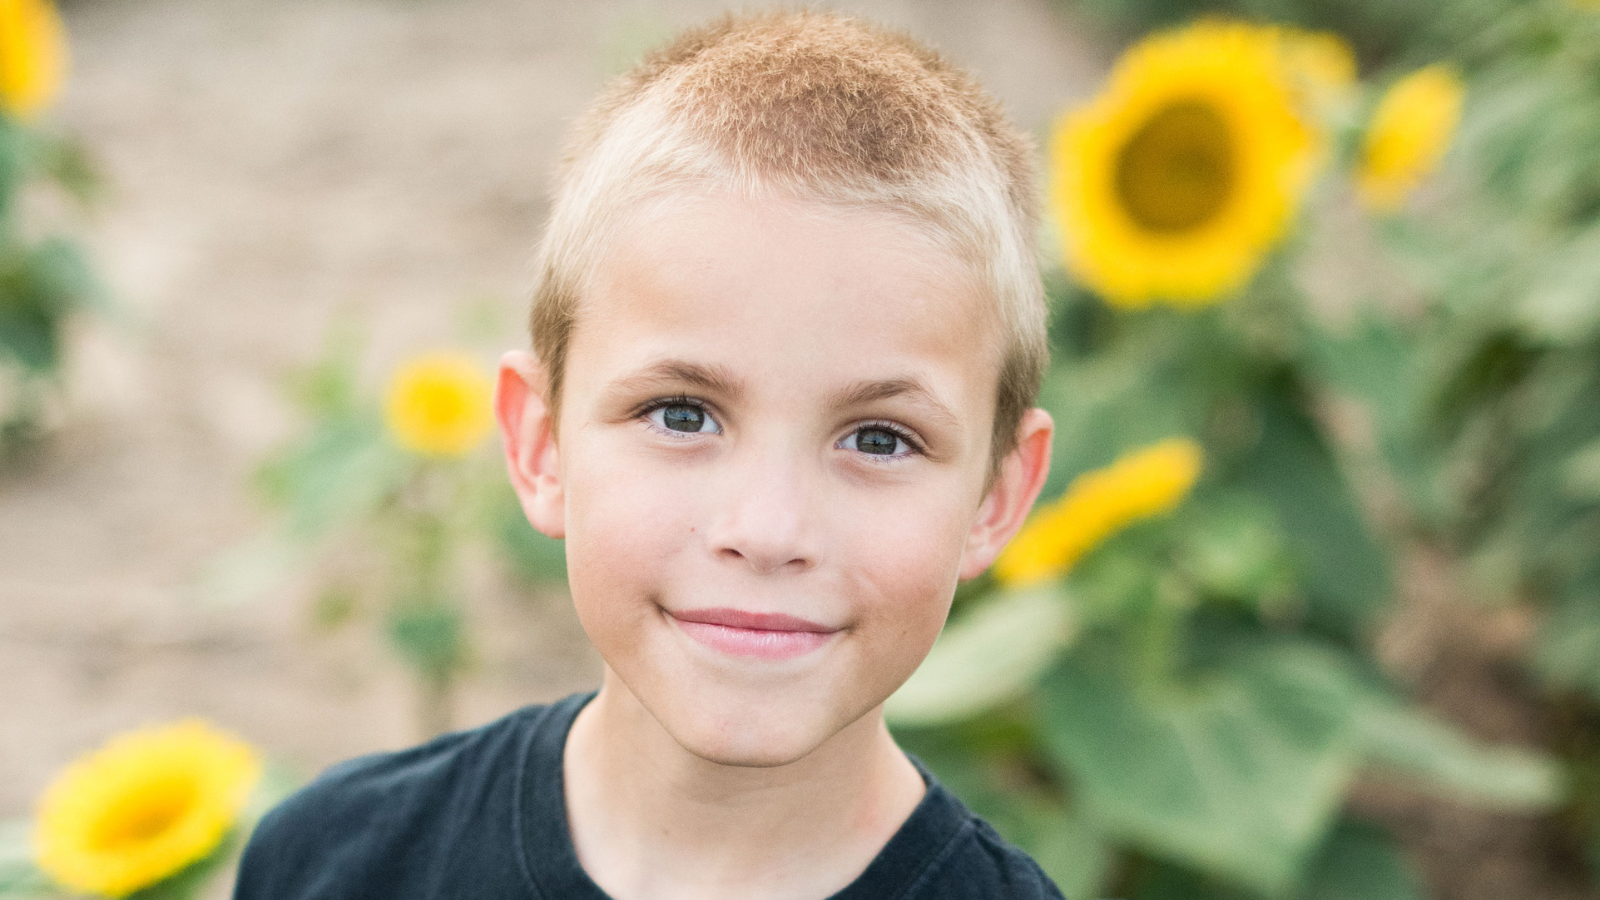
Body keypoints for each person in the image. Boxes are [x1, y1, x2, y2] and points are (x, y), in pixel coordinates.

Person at [233, 10, 1060, 899]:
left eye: (879, 438)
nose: (769, 529)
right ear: (541, 445)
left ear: (994, 497)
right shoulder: (336, 864)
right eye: (682, 414)